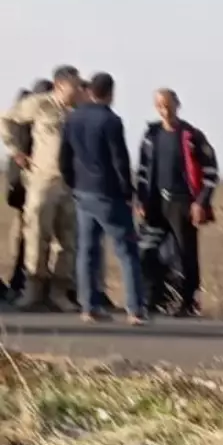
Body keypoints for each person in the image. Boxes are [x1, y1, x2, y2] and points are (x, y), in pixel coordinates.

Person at [59, 71, 146, 325]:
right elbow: (119, 160)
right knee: (127, 251)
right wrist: (128, 192)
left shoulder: (73, 119)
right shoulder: (111, 121)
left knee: (87, 251)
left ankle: (89, 306)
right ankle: (135, 308)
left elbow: (64, 157)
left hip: (82, 192)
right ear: (111, 93)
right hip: (108, 193)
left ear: (89, 91)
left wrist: (72, 181)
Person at [0, 68, 81, 310]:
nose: (77, 90)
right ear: (60, 85)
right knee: (36, 235)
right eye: (73, 86)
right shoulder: (40, 105)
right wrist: (15, 151)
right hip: (42, 180)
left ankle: (59, 292)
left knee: (69, 240)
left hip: (70, 183)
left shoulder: (78, 111)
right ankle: (33, 290)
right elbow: (7, 119)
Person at [136, 89, 218, 316]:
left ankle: (188, 302)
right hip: (155, 203)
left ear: (177, 105)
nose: (165, 110)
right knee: (148, 251)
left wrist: (200, 202)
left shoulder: (192, 136)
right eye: (160, 106)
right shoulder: (150, 136)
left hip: (183, 204)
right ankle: (153, 299)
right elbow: (142, 171)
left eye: (168, 105)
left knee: (185, 255)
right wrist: (141, 200)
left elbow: (211, 173)